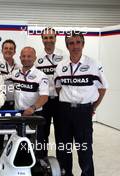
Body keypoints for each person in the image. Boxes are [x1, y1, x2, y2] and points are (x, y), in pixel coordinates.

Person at [54, 31, 108, 176]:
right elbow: (58, 87)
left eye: (78, 42)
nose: (75, 46)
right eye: (71, 43)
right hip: (64, 111)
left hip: (84, 112)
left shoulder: (93, 64)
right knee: (63, 147)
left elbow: (103, 88)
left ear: (83, 44)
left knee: (84, 148)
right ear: (67, 46)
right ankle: (66, 173)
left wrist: (93, 107)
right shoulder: (60, 66)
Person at [11, 46, 49, 158]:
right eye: (23, 56)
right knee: (18, 142)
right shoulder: (15, 73)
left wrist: (32, 108)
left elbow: (44, 97)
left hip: (34, 114)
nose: (26, 58)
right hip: (18, 114)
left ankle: (37, 167)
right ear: (20, 57)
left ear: (35, 58)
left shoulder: (41, 76)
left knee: (35, 145)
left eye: (29, 56)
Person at [34, 27, 66, 157]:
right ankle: (42, 161)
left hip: (61, 100)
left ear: (55, 38)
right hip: (44, 101)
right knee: (42, 133)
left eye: (51, 37)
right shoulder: (37, 59)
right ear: (42, 39)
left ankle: (62, 163)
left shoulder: (65, 56)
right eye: (45, 38)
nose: (48, 40)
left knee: (62, 133)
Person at [0, 39, 21, 153]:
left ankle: (12, 157)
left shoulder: (19, 67)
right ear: (2, 50)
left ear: (14, 51)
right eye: (6, 48)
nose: (8, 50)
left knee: (13, 133)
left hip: (14, 104)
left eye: (11, 48)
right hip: (0, 104)